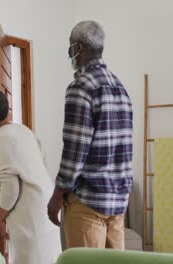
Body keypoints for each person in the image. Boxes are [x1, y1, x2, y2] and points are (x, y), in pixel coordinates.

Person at [47, 20, 134, 249]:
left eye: (69, 48)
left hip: (88, 202)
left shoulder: (80, 88)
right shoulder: (120, 88)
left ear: (77, 49)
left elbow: (74, 151)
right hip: (118, 202)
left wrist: (57, 196)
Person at [0, 87, 61, 264]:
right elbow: (43, 157)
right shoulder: (22, 130)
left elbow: (11, 188)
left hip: (28, 217)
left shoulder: (2, 138)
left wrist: (0, 217)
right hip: (45, 206)